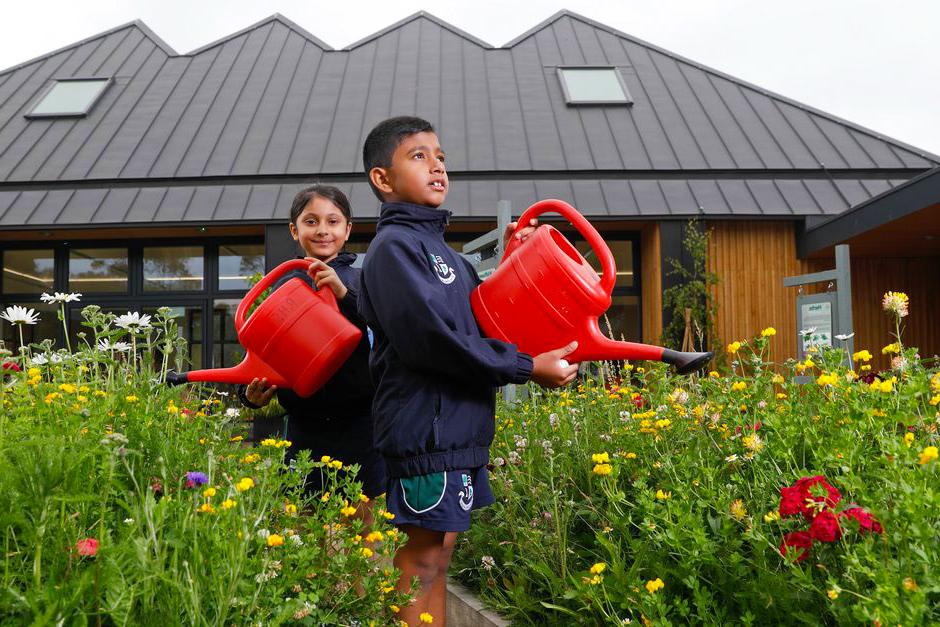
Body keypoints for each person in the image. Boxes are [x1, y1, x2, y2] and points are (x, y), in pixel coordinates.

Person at [358, 116, 579, 625]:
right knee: (422, 560)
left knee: (441, 554)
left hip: (454, 431)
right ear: (383, 180)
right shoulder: (394, 250)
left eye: (440, 156)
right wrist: (526, 367)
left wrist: (516, 263)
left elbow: (483, 319)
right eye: (418, 156)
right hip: (424, 433)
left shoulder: (444, 254)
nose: (436, 164)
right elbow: (432, 342)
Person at [237, 184, 385, 524]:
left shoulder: (364, 282)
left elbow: (388, 333)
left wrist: (344, 293)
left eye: (333, 221)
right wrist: (251, 397)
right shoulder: (285, 286)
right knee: (305, 532)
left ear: (347, 230)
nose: (322, 230)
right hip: (304, 428)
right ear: (294, 229)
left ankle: (356, 581)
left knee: (360, 532)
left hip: (361, 427)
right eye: (311, 221)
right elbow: (266, 354)